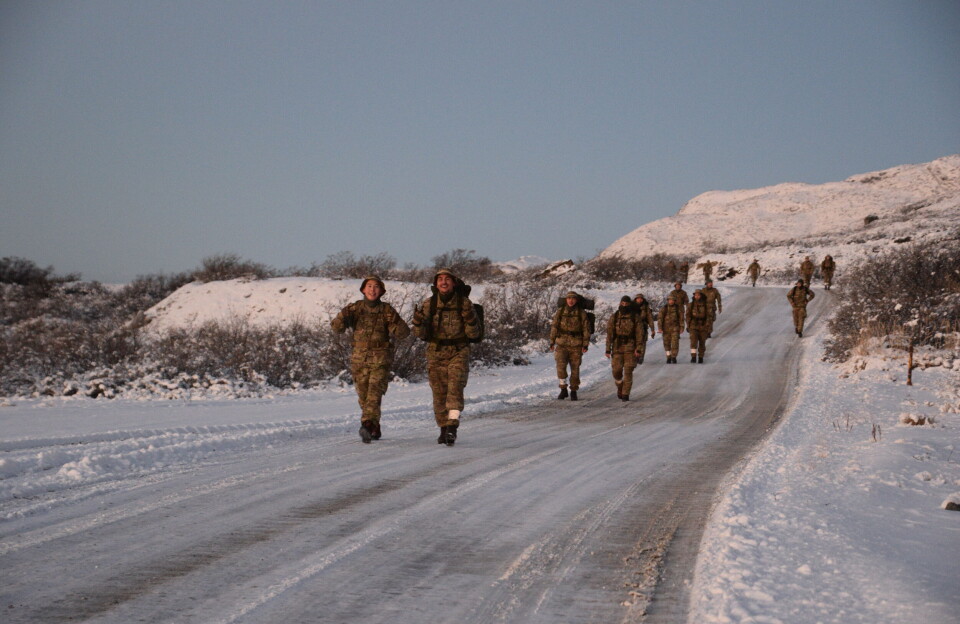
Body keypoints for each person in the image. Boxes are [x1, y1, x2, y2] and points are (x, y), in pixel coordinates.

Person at [331, 276, 410, 443]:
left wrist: (397, 322)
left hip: (380, 358)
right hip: (359, 358)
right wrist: (342, 316)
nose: (372, 289)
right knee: (364, 396)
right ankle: (374, 426)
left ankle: (366, 424)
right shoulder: (354, 308)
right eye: (369, 286)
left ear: (381, 291)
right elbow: (337, 328)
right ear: (363, 289)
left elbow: (403, 333)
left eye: (376, 286)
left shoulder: (386, 310)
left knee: (374, 392)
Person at [411, 268, 481, 445]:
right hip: (436, 353)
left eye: (447, 279)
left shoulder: (464, 304)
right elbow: (421, 334)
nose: (443, 282)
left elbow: (474, 335)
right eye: (440, 279)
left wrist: (471, 319)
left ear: (454, 283)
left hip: (458, 351)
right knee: (439, 393)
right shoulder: (429, 304)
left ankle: (452, 425)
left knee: (455, 389)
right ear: (435, 284)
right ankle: (443, 428)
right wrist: (418, 322)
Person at [549, 291, 591, 400]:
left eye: (573, 299)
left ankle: (573, 390)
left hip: (576, 344)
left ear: (576, 300)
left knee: (575, 368)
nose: (570, 301)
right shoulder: (561, 311)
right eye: (569, 298)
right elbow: (554, 326)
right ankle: (563, 389)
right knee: (560, 367)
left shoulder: (581, 313)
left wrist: (585, 344)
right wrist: (552, 341)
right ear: (566, 300)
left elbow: (586, 329)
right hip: (561, 344)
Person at [605, 297, 645, 401]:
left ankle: (625, 394)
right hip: (617, 346)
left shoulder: (635, 317)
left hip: (630, 346)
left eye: (626, 303)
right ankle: (620, 385)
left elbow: (640, 334)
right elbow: (609, 333)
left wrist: (639, 348)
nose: (624, 305)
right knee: (616, 371)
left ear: (629, 304)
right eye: (622, 303)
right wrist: (608, 349)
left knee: (628, 371)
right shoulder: (615, 316)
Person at [657, 293, 685, 363]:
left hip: (675, 329)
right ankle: (668, 356)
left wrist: (682, 327)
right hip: (666, 329)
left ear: (674, 301)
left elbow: (681, 318)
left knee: (675, 343)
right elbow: (660, 318)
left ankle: (674, 356)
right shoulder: (664, 308)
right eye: (670, 300)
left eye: (672, 300)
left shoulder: (678, 308)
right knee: (666, 344)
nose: (671, 301)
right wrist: (660, 328)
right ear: (668, 300)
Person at [686, 289, 710, 363]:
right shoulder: (691, 305)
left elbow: (709, 316)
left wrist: (708, 326)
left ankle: (701, 357)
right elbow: (687, 316)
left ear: (701, 296)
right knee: (693, 342)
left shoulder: (706, 305)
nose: (697, 296)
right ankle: (693, 356)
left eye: (698, 295)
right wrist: (688, 325)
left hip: (703, 326)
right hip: (693, 326)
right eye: (695, 295)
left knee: (702, 342)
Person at [632, 293, 657, 364]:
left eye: (641, 298)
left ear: (643, 299)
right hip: (634, 328)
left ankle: (641, 356)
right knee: (633, 342)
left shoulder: (646, 308)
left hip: (643, 327)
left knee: (642, 342)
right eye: (638, 298)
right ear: (635, 299)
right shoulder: (632, 307)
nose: (639, 300)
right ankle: (634, 355)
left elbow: (650, 318)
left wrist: (652, 329)